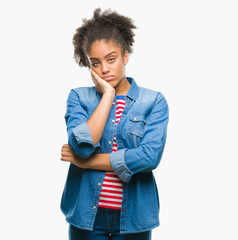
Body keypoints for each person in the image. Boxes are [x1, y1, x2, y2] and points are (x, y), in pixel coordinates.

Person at [60, 8, 169, 240]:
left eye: (111, 59)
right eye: (96, 63)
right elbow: (82, 146)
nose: (105, 69)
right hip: (87, 216)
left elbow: (149, 157)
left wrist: (87, 163)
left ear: (125, 56)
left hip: (133, 218)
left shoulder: (153, 101)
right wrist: (108, 95)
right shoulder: (79, 97)